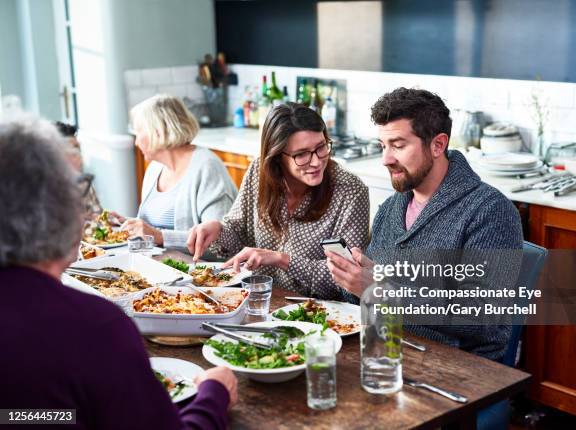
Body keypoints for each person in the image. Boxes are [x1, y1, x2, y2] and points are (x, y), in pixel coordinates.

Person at [0, 117, 237, 429]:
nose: (85, 209)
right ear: (54, 209)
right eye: (79, 191)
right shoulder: (95, 328)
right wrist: (214, 395)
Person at [326, 88, 523, 361]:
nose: (386, 159)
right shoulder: (392, 208)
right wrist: (352, 279)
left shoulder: (491, 211)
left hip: (459, 370)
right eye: (383, 146)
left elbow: (481, 318)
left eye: (398, 145)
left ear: (438, 145)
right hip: (388, 350)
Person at [187, 103, 370, 300]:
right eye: (301, 154)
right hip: (255, 299)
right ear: (277, 156)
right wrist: (218, 231)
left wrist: (282, 260)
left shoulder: (351, 191)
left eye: (321, 147)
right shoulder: (259, 171)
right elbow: (238, 237)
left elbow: (348, 277)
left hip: (320, 314)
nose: (317, 162)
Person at [114, 94, 237, 248]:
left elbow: (221, 244)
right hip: (157, 264)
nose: (137, 142)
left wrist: (159, 237)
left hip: (194, 269)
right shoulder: (155, 168)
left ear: (158, 131)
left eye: (139, 133)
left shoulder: (207, 167)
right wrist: (124, 224)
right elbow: (151, 229)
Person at [55, 121, 103, 220]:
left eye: (78, 149)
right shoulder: (47, 191)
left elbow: (99, 216)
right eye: (74, 149)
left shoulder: (84, 183)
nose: (79, 155)